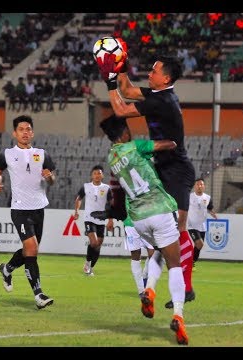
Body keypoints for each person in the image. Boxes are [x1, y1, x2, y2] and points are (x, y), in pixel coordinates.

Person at [98, 50, 196, 310]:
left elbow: (119, 108)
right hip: (164, 167)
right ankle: (155, 288)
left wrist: (108, 80)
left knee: (179, 230)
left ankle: (185, 286)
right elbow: (127, 90)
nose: (149, 73)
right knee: (166, 237)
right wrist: (120, 64)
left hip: (176, 169)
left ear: (165, 79)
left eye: (154, 71)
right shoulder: (158, 94)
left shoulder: (161, 101)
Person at [97, 114, 188, 345]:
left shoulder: (111, 157)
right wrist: (174, 140)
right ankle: (178, 315)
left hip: (137, 218)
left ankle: (149, 290)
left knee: (157, 253)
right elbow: (166, 145)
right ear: (124, 133)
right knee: (175, 265)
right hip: (159, 209)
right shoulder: (135, 146)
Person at [0, 115, 56, 310]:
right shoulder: (7, 154)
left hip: (39, 207)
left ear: (32, 132)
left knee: (30, 251)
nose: (25, 132)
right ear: (15, 133)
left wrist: (50, 177)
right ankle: (38, 295)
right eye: (21, 129)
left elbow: (52, 179)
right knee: (32, 248)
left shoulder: (42, 154)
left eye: (28, 129)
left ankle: (7, 268)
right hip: (19, 208)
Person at [73, 165, 114, 276]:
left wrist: (110, 220)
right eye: (95, 173)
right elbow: (79, 199)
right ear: (92, 175)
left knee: (98, 246)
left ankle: (90, 267)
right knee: (94, 242)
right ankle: (87, 262)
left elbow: (111, 204)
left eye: (99, 173)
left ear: (102, 175)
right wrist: (76, 211)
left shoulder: (106, 188)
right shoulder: (86, 186)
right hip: (89, 219)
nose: (97, 175)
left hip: (101, 220)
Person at [187, 178, 217, 271]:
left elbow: (210, 208)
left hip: (202, 226)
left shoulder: (207, 198)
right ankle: (190, 262)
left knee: (199, 246)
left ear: (204, 186)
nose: (200, 186)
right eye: (198, 184)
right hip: (191, 225)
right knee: (199, 243)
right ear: (194, 186)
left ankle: (192, 262)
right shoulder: (189, 197)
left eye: (201, 184)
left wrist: (213, 213)